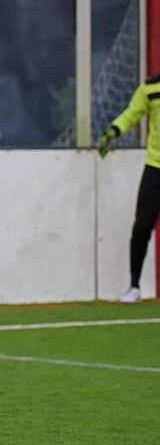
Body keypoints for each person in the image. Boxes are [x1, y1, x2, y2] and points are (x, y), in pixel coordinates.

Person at [98, 75, 160, 303]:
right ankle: (134, 287)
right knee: (142, 226)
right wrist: (113, 131)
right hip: (156, 166)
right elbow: (132, 114)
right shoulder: (150, 87)